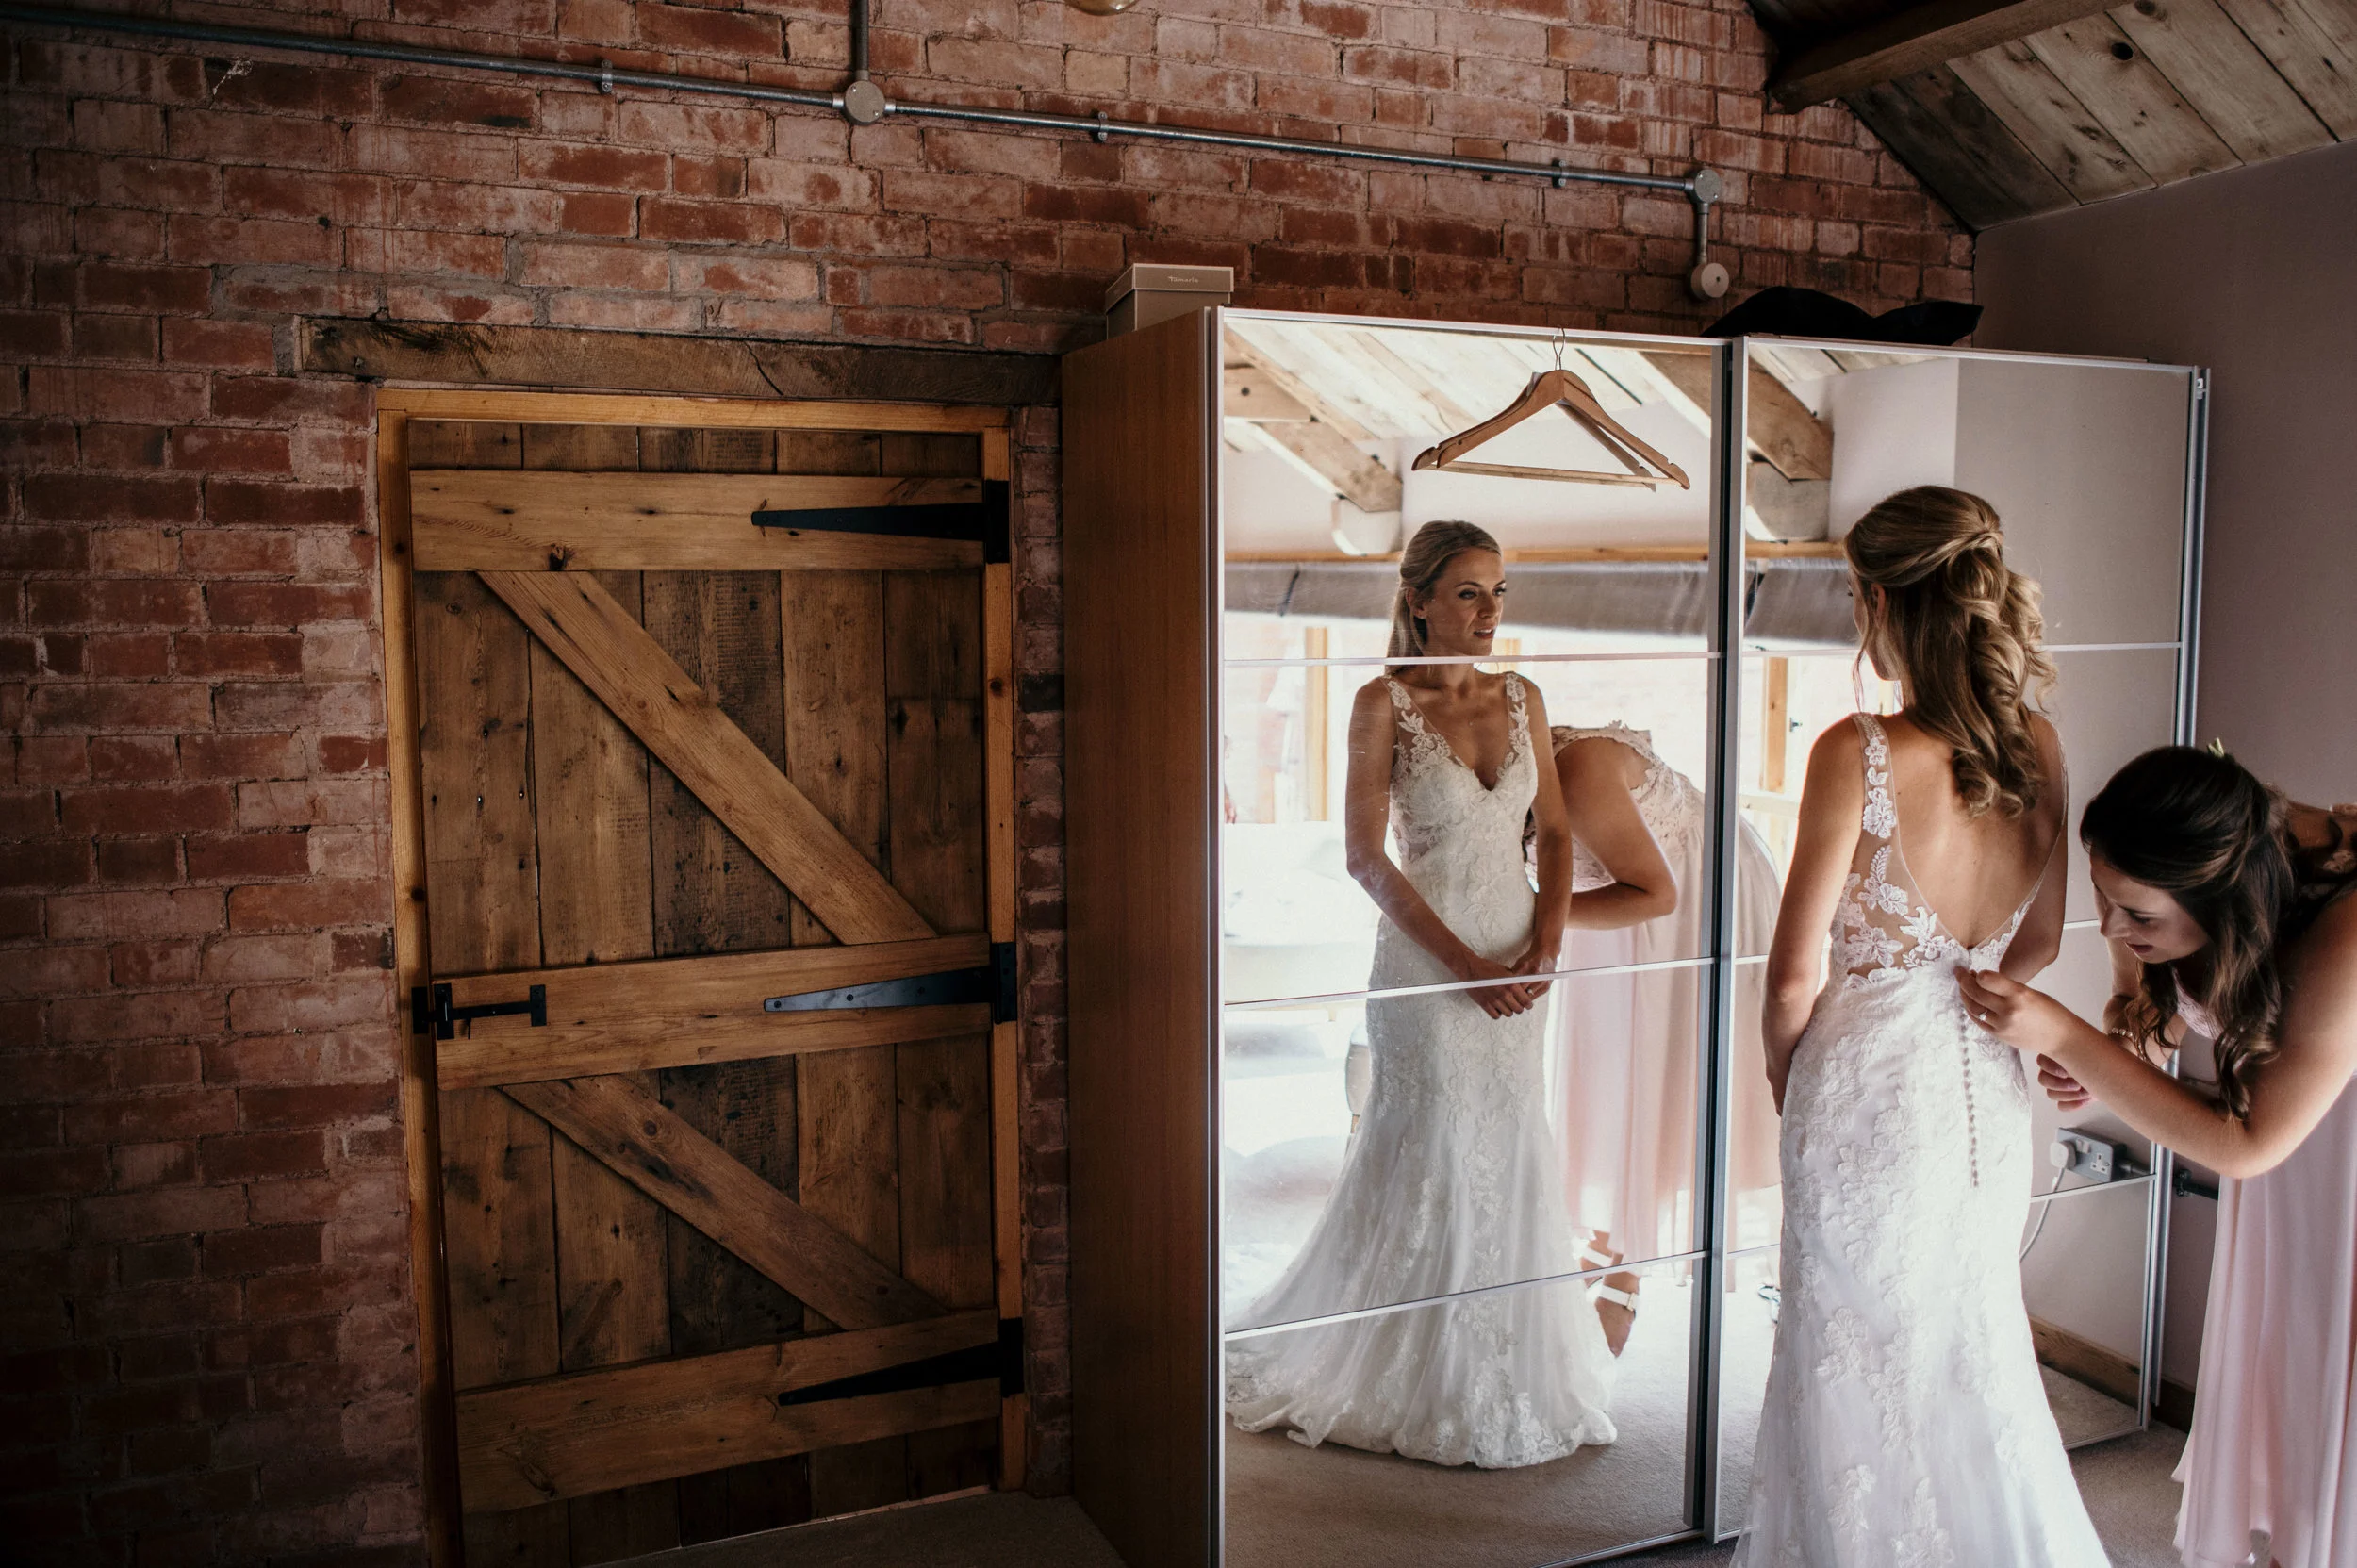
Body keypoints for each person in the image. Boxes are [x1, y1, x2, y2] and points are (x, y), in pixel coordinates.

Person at [1734, 487, 2107, 1565]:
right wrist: (1980, 1002)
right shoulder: (2039, 741)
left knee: (1849, 1344)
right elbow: (2038, 941)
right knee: (1969, 1335)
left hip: (1860, 1078)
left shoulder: (1854, 750)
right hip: (1982, 1078)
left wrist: (1788, 1079)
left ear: (1879, 601)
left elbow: (1793, 972)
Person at [1226, 520, 1618, 1468]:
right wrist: (1467, 967)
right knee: (1435, 1138)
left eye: (1498, 593)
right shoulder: (1381, 704)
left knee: (1511, 1135)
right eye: (1469, 593)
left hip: (1519, 958)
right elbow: (1366, 859)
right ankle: (1412, 1361)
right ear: (1420, 599)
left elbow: (1556, 836)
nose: (1489, 614)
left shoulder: (1523, 696)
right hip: (1426, 964)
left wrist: (1545, 946)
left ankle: (1511, 1356)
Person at [1961, 746, 2357, 1568]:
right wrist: (2112, 1068)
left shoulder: (2345, 925)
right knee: (2299, 1415)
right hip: (2296, 1186)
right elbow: (2161, 1020)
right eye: (2105, 898)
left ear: (2225, 896)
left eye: (2137, 915)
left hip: (2326, 1175)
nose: (2113, 928)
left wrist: (2063, 1033)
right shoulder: (2209, 867)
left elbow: (2248, 1142)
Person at [1540, 725, 1783, 1353]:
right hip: (1623, 904)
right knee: (1610, 1076)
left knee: (1662, 1073)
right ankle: (1606, 1239)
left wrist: (1532, 917)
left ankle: (1623, 1276)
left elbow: (1656, 890)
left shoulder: (1578, 769)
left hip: (1697, 894)